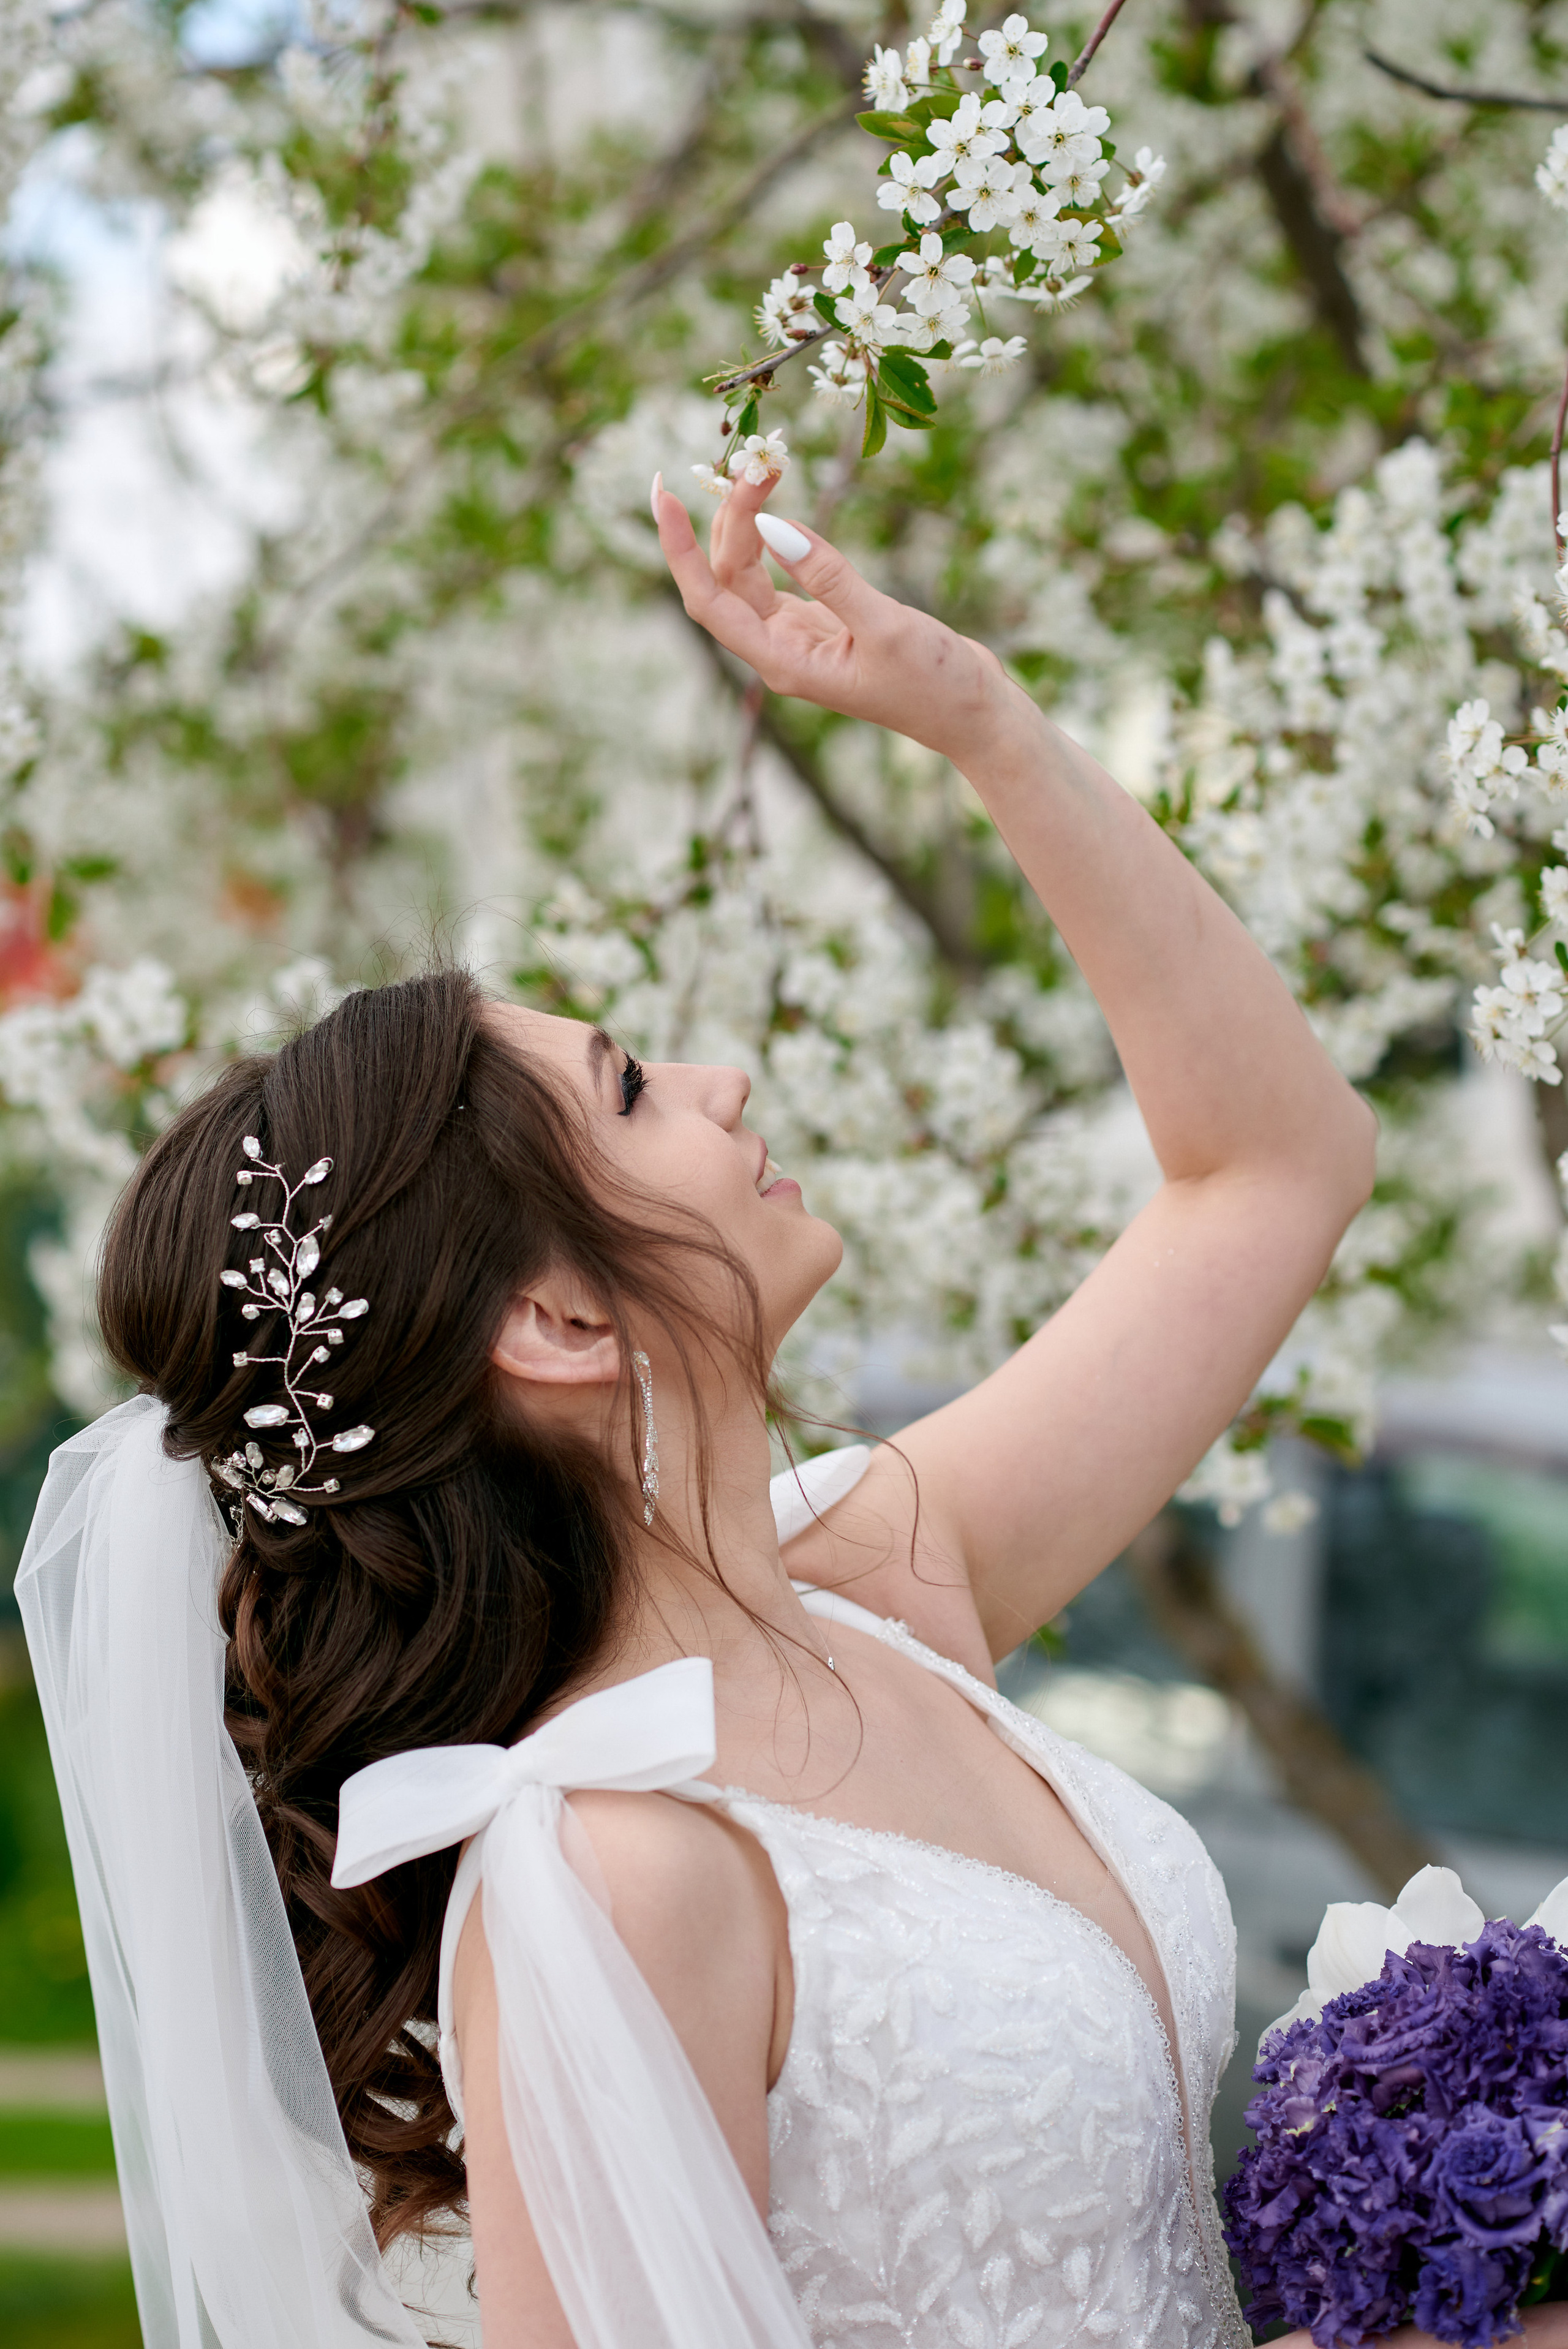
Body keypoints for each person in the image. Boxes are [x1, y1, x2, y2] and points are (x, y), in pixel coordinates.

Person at [21, 470, 1382, 2349]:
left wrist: (969, 714)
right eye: (639, 1083)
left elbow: (1277, 1167)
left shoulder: (880, 1580)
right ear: (562, 1314)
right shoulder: (610, 1862)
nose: (731, 1082)